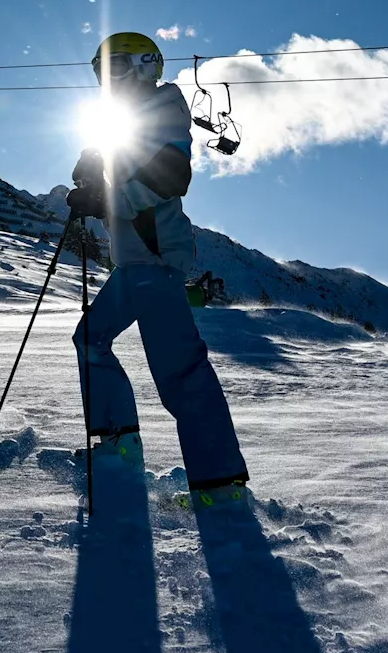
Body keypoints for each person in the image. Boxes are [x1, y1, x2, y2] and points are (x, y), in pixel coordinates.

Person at [66, 32, 250, 508]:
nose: (107, 82)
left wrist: (107, 197)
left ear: (145, 66)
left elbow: (172, 175)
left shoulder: (165, 105)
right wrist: (92, 168)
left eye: (116, 68)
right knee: (89, 339)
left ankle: (220, 485)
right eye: (100, 72)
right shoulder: (122, 119)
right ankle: (118, 438)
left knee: (180, 374)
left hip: (155, 262)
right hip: (131, 265)